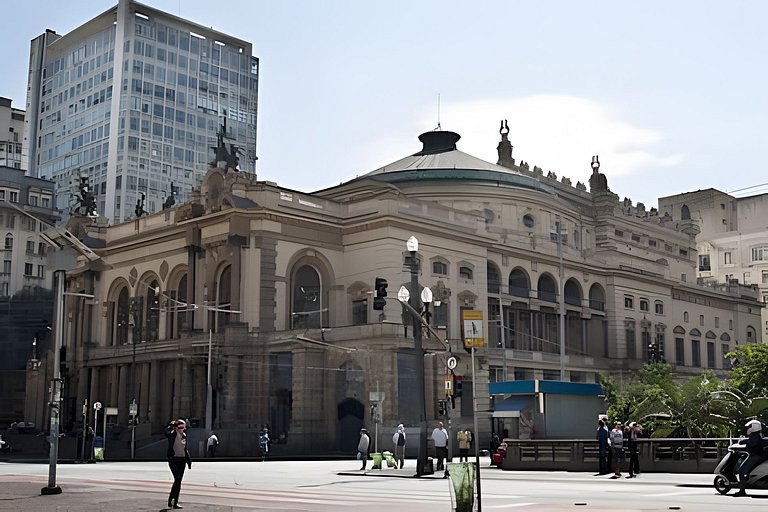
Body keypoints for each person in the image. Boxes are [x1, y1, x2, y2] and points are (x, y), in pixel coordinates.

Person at [165, 419, 192, 509]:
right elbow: (166, 432)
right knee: (177, 479)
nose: (182, 429)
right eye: (180, 427)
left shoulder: (184, 435)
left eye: (184, 427)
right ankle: (171, 499)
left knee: (179, 481)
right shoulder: (173, 434)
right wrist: (171, 425)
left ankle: (175, 502)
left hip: (182, 460)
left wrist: (189, 461)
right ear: (176, 427)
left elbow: (185, 449)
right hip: (174, 460)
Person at [735, 419, 765, 497]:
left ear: (753, 427)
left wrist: (743, 443)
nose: (748, 429)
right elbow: (749, 442)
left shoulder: (754, 436)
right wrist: (743, 441)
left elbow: (751, 444)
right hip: (758, 456)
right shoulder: (757, 435)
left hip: (755, 456)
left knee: (741, 471)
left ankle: (742, 491)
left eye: (749, 427)